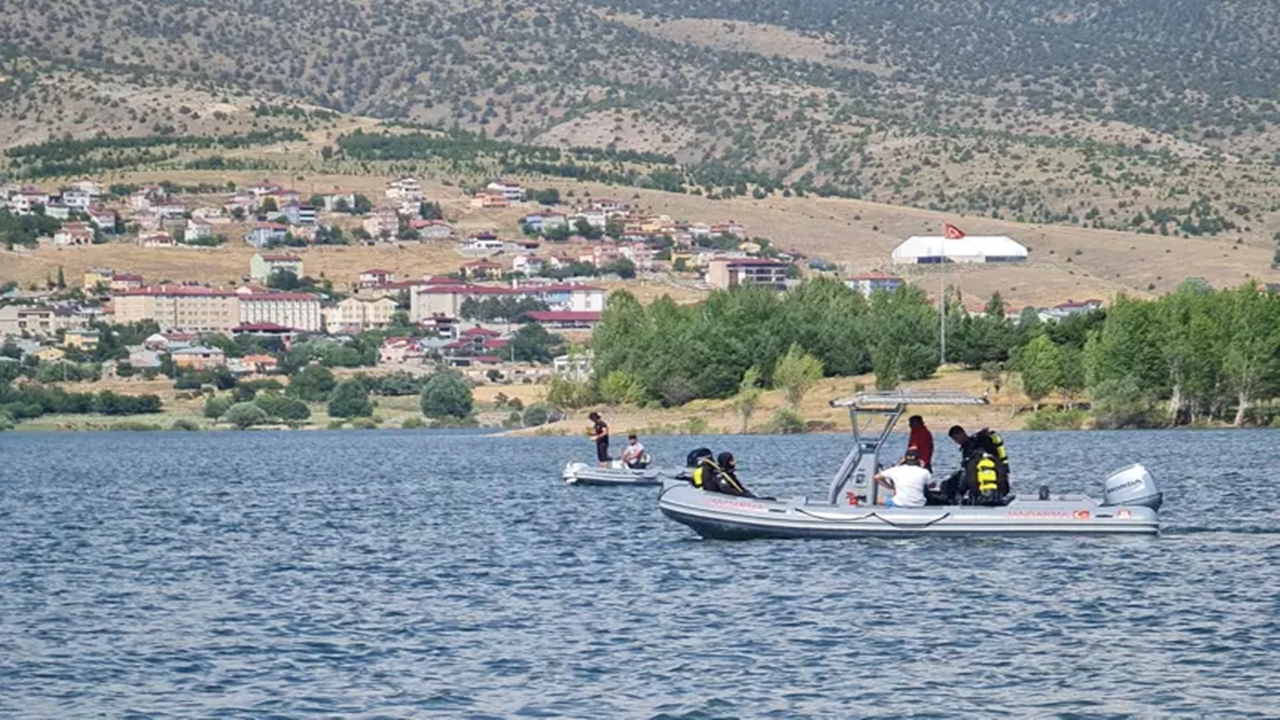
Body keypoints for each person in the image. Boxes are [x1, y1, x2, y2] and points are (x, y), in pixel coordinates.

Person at [947, 425, 1010, 503]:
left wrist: (962, 491)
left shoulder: (974, 447)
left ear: (962, 433)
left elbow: (970, 472)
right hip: (992, 487)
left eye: (956, 438)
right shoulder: (971, 446)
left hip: (986, 488)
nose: (956, 442)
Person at [690, 451, 754, 497]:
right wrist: (741, 494)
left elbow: (739, 486)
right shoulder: (720, 475)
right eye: (732, 460)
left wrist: (747, 494)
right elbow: (725, 489)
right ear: (727, 462)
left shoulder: (728, 473)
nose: (735, 462)